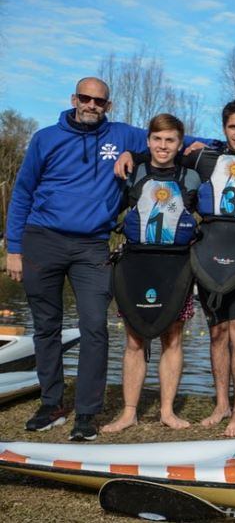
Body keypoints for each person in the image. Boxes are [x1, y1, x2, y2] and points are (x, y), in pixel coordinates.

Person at [5, 77, 213, 441]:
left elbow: (172, 141)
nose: (91, 105)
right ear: (74, 99)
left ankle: (87, 412)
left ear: (108, 105)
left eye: (98, 101)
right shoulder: (45, 138)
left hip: (92, 246)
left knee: (95, 327)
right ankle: (52, 403)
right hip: (43, 239)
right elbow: (22, 192)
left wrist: (221, 145)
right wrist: (14, 248)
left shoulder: (121, 134)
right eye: (85, 98)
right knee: (47, 327)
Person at [117, 100, 235, 437]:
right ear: (224, 128)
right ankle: (220, 404)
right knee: (217, 333)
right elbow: (164, 144)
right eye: (233, 127)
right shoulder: (202, 158)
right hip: (207, 256)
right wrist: (128, 153)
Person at [103, 114, 201, 433]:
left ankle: (167, 411)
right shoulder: (134, 172)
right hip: (137, 263)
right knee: (134, 339)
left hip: (176, 266)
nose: (163, 146)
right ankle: (129, 412)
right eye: (157, 139)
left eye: (170, 140)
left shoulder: (192, 178)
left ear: (179, 143)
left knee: (172, 338)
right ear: (148, 141)